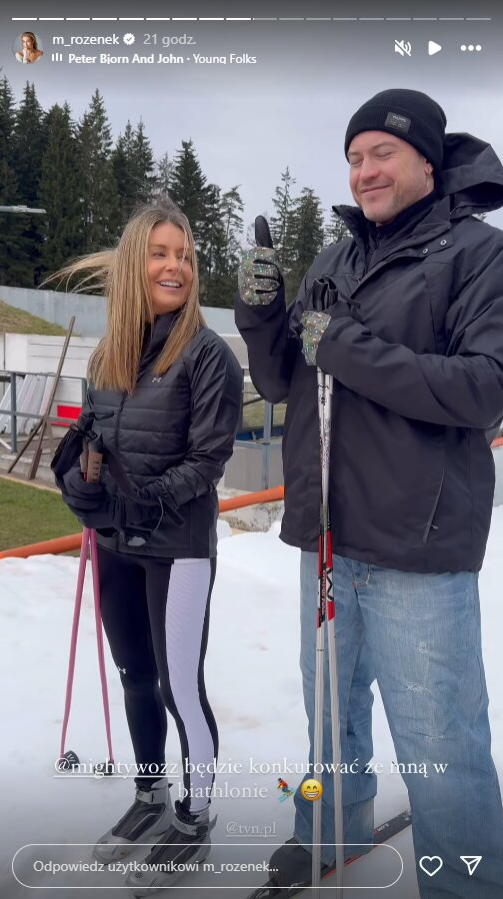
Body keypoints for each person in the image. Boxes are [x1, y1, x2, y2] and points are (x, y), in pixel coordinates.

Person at [235, 89, 503, 898]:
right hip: (328, 533)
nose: (363, 170)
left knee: (441, 741)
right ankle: (329, 830)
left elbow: (484, 389)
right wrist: (260, 315)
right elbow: (285, 378)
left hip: (414, 548)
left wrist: (347, 346)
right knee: (330, 718)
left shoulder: (478, 254)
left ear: (427, 158)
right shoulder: (335, 257)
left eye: (380, 153)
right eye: (353, 157)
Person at [57, 201, 243, 895]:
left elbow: (207, 461)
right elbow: (90, 441)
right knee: (134, 671)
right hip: (114, 541)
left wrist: (144, 499)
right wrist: (77, 477)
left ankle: (194, 817)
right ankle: (149, 795)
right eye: (162, 253)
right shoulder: (110, 352)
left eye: (186, 254)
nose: (176, 265)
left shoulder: (207, 354)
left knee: (177, 685)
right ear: (137, 263)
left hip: (177, 546)